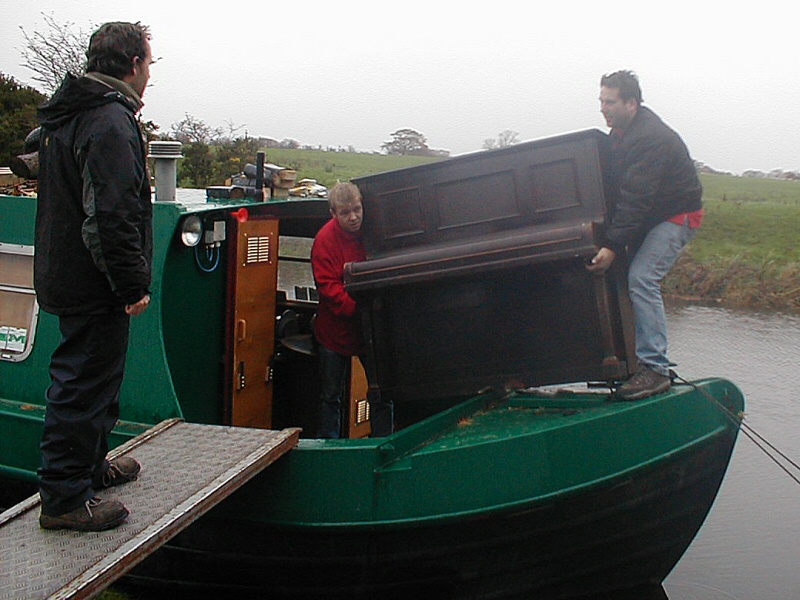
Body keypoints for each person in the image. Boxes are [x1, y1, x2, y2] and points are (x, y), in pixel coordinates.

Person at [34, 22, 155, 531]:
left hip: (70, 273)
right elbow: (110, 213)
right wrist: (130, 284)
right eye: (150, 63)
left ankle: (90, 469)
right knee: (82, 385)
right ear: (133, 65)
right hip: (93, 282)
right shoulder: (108, 120)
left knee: (99, 380)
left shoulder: (76, 111)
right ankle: (63, 499)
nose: (150, 74)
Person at [588, 70, 703, 400]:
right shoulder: (621, 134)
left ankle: (654, 369)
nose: (603, 108)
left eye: (610, 102)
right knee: (628, 277)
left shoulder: (649, 137)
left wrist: (611, 244)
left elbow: (637, 197)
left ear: (631, 103)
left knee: (642, 278)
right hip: (651, 217)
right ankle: (632, 361)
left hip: (676, 216)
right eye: (601, 101)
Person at [310, 182, 393, 438]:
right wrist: (363, 310)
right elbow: (328, 288)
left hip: (372, 331)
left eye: (357, 210)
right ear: (333, 213)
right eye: (345, 213)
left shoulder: (375, 233)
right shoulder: (324, 242)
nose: (354, 217)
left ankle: (383, 443)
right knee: (330, 396)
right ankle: (330, 447)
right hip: (334, 333)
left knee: (382, 392)